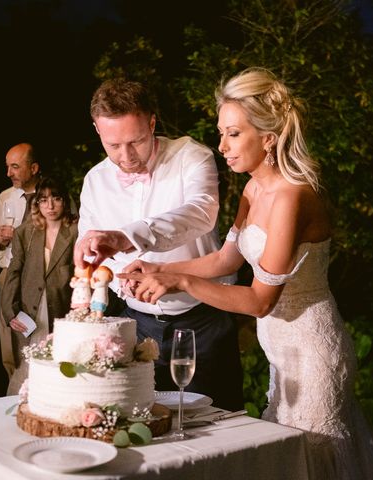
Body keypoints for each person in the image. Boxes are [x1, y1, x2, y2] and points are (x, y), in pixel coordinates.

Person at [119, 68, 373, 479]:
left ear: (268, 137)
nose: (222, 146)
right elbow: (225, 261)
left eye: (233, 134)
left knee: (313, 460)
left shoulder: (292, 197)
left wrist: (178, 281)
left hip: (313, 349)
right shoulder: (253, 189)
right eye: (221, 133)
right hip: (280, 352)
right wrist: (159, 266)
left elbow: (261, 301)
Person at [73, 78, 244, 411]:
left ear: (152, 122)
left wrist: (125, 237)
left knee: (216, 423)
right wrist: (100, 264)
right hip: (136, 325)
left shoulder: (191, 156)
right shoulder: (95, 180)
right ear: (97, 130)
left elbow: (201, 213)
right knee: (140, 423)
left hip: (202, 320)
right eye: (113, 145)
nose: (126, 156)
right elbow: (91, 247)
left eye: (136, 141)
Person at [0, 176, 78, 395]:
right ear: (37, 204)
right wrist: (10, 311)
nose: (50, 206)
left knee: (59, 366)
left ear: (65, 200)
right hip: (30, 311)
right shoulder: (27, 232)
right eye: (43, 200)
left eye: (56, 198)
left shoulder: (75, 231)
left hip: (63, 311)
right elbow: (13, 272)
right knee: (28, 367)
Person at [0, 142, 42, 380]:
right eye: (7, 167)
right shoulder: (5, 197)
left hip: (39, 278)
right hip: (9, 275)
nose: (8, 173)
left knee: (38, 335)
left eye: (15, 167)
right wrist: (0, 240)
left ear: (33, 168)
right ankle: (12, 388)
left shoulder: (51, 196)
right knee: (9, 339)